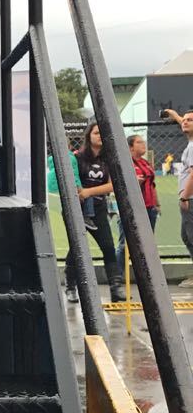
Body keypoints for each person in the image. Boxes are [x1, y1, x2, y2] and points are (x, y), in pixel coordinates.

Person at [64, 120, 126, 305]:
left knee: (108, 246)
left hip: (98, 208)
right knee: (77, 247)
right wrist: (80, 193)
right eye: (96, 133)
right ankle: (70, 287)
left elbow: (113, 185)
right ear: (88, 136)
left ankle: (116, 288)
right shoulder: (77, 158)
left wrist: (89, 192)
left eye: (102, 133)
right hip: (77, 209)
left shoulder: (109, 159)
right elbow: (70, 181)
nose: (100, 136)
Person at [115, 134, 160, 275]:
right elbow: (118, 185)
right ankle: (118, 275)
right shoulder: (124, 163)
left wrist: (157, 204)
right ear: (130, 147)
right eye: (139, 142)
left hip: (149, 208)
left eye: (143, 142)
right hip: (131, 209)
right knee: (125, 243)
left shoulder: (145, 163)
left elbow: (152, 185)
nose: (143, 144)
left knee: (147, 243)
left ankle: (147, 274)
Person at [47, 135, 97, 231]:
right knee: (87, 194)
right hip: (66, 185)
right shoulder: (71, 157)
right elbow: (73, 174)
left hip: (51, 186)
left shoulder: (51, 158)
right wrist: (78, 186)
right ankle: (88, 216)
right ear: (69, 147)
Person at [179, 112, 193, 262]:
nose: (185, 122)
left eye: (189, 120)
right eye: (183, 120)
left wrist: (184, 197)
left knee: (191, 237)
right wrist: (174, 115)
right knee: (186, 236)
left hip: (190, 198)